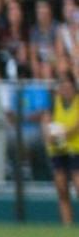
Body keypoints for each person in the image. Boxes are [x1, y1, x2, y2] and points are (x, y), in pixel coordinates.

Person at [41, 69, 79, 226]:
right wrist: (48, 134)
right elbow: (46, 121)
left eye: (67, 83)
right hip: (58, 151)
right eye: (61, 84)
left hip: (75, 150)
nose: (64, 87)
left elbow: (76, 126)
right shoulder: (54, 102)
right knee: (62, 189)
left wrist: (62, 134)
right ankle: (67, 225)